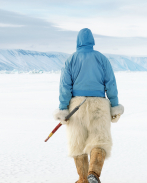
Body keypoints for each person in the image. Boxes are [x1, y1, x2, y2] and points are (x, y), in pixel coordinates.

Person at [54, 28, 124, 183]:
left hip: (76, 107)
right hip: (99, 106)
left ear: (78, 41)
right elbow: (111, 84)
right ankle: (93, 174)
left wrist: (63, 108)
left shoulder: (71, 60)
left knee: (77, 144)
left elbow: (65, 87)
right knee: (99, 141)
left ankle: (83, 179)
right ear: (92, 41)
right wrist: (114, 105)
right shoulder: (102, 59)